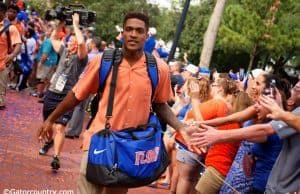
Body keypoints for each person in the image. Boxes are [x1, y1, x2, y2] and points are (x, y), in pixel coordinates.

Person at [37, 12, 197, 194]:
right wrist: (51, 119)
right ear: (122, 33)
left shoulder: (158, 68)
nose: (133, 34)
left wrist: (181, 127)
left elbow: (161, 105)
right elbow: (76, 94)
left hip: (129, 149)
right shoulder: (104, 61)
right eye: (129, 29)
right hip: (98, 141)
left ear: (146, 35)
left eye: (139, 31)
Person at [37, 13, 88, 171]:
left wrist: (75, 24)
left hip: (67, 97)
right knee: (49, 124)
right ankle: (48, 142)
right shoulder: (64, 52)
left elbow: (80, 42)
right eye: (70, 40)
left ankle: (56, 157)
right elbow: (52, 38)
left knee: (60, 127)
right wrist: (60, 23)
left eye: (73, 41)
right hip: (52, 92)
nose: (72, 42)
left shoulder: (81, 58)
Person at [0, 2, 22, 110]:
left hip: (3, 64)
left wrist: (12, 55)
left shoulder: (11, 28)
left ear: (3, 13)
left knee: (0, 91)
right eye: (10, 11)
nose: (11, 13)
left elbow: (18, 45)